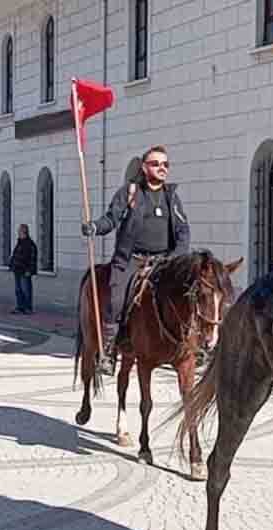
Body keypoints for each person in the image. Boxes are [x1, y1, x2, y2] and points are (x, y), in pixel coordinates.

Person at [80, 145, 191, 375]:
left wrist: (177, 257)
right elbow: (111, 219)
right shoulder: (129, 192)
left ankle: (191, 345)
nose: (162, 168)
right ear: (144, 167)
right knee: (116, 297)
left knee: (188, 294)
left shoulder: (172, 197)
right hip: (131, 259)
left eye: (165, 164)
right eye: (156, 164)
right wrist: (94, 227)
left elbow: (182, 230)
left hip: (164, 261)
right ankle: (109, 352)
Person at [10, 224, 38, 314]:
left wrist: (30, 270)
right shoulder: (19, 243)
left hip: (25, 271)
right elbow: (15, 255)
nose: (18, 232)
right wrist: (12, 264)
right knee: (18, 290)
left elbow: (33, 258)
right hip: (17, 270)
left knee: (26, 290)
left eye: (20, 230)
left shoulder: (30, 244)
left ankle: (28, 308)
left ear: (24, 232)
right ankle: (20, 307)